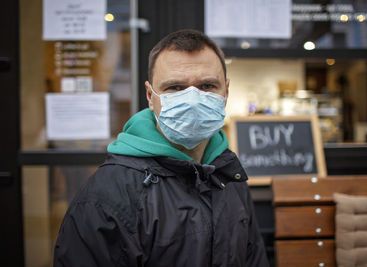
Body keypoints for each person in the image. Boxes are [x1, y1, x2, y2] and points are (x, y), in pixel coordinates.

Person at [54, 29, 269, 267]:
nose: (193, 100)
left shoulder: (228, 175)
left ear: (226, 91)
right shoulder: (108, 196)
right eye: (175, 87)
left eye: (207, 85)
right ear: (150, 95)